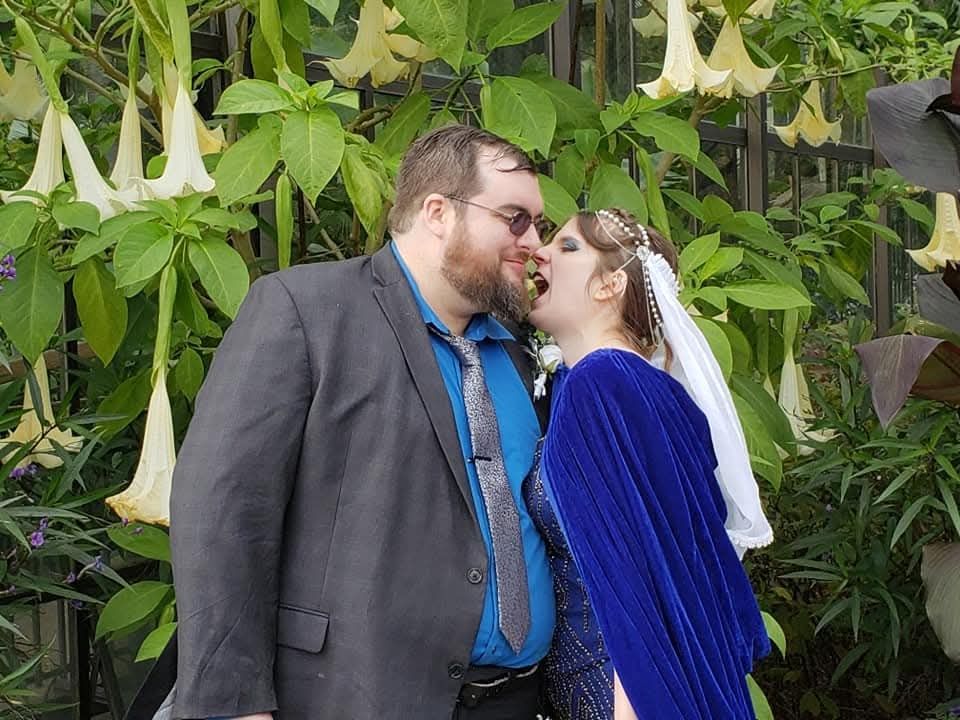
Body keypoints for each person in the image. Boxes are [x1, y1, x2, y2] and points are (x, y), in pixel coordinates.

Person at [152, 125, 557, 720]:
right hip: (354, 696)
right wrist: (235, 705)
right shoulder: (304, 311)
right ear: (438, 211)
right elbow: (223, 513)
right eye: (516, 218)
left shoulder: (521, 353)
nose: (534, 243)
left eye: (540, 224)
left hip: (519, 700)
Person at [523, 207, 773, 720]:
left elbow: (632, 572)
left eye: (567, 247)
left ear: (609, 286)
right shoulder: (634, 386)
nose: (539, 252)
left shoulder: (602, 383)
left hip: (617, 692)